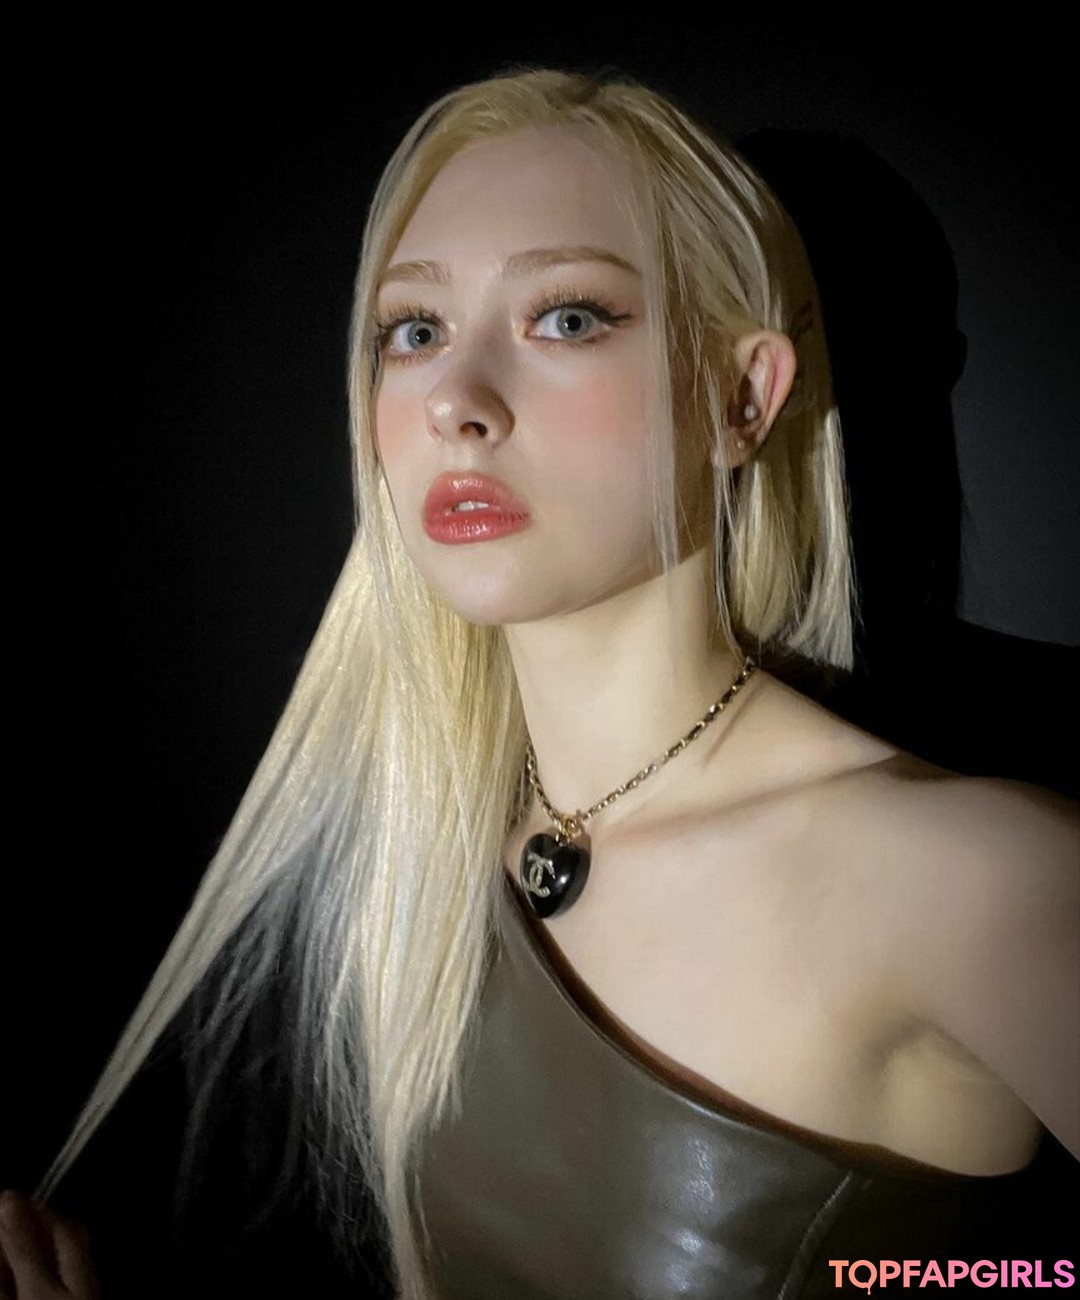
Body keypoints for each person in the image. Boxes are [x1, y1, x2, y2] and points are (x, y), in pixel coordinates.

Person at [2, 67, 1077, 1300]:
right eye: (413, 331)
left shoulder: (976, 883)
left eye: (566, 317)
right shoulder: (436, 862)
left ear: (742, 397)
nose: (455, 402)